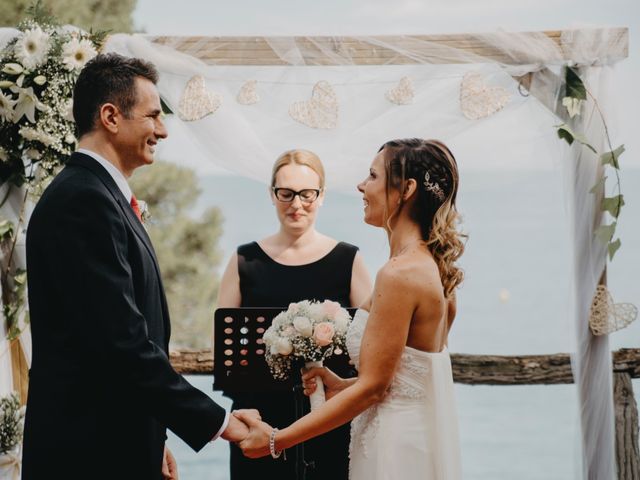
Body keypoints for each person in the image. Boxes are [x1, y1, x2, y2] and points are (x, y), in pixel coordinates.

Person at [22, 53, 250, 480]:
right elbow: (120, 344)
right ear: (111, 116)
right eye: (153, 116)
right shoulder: (84, 202)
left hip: (117, 441)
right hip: (89, 453)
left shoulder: (97, 194)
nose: (162, 130)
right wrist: (221, 423)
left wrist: (155, 436)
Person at [235, 138, 466, 479]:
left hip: (393, 450)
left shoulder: (399, 274)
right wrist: (340, 384)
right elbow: (399, 376)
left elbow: (373, 389)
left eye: (372, 176)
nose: (361, 185)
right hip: (405, 436)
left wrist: (276, 440)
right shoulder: (428, 265)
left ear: (406, 189)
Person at [217, 148, 372, 480]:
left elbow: (370, 346)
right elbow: (227, 351)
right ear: (272, 195)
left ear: (322, 196)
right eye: (285, 193)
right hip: (259, 419)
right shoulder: (244, 261)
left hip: (330, 418)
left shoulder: (349, 260)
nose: (296, 204)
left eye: (307, 194)